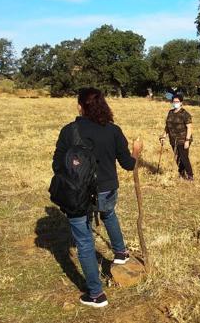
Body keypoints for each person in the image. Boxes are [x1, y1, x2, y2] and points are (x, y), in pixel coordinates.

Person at [52, 87, 142, 308]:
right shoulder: (113, 130)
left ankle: (96, 295)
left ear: (81, 106)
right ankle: (120, 253)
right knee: (109, 214)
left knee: (84, 242)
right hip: (107, 189)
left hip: (78, 193)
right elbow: (128, 165)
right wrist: (136, 152)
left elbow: (56, 165)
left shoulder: (69, 131)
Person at [160, 94, 194, 180]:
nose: (175, 103)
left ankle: (190, 175)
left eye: (177, 102)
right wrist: (163, 135)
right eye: (174, 101)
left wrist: (187, 140)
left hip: (183, 139)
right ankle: (181, 173)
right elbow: (167, 126)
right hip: (173, 139)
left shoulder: (185, 114)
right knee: (178, 157)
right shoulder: (170, 112)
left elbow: (189, 128)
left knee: (184, 157)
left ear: (181, 102)